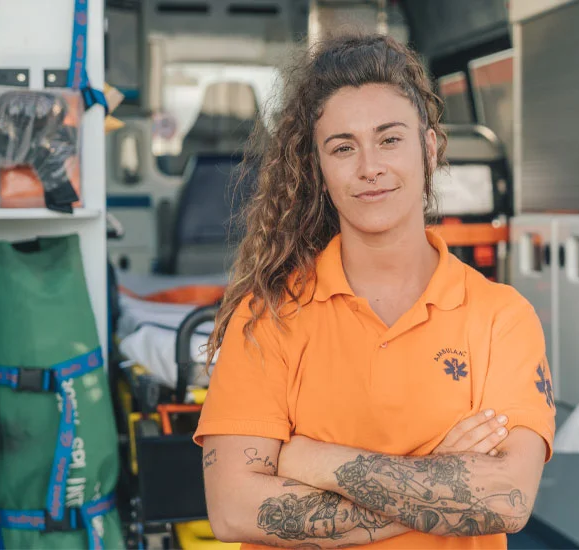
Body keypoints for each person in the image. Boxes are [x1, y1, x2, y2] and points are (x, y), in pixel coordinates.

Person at [193, 33, 556, 550]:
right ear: (318, 168)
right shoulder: (268, 316)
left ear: (428, 148)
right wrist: (438, 479)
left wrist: (315, 460)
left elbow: (507, 500)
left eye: (389, 140)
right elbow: (233, 511)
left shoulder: (502, 317)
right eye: (343, 148)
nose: (369, 168)